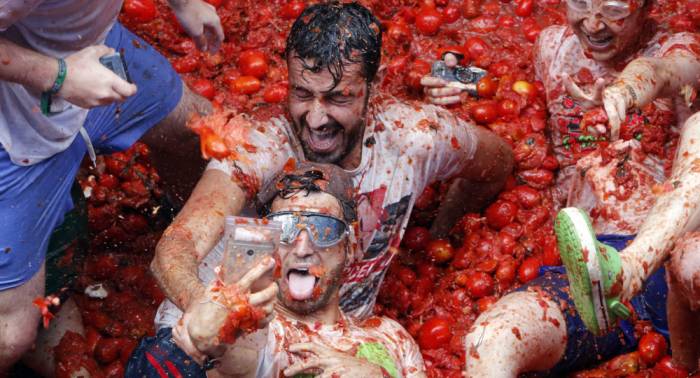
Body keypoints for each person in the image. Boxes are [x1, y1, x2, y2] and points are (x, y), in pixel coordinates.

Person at [151, 0, 513, 364]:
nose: (316, 118)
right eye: (302, 94)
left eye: (338, 97)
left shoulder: (415, 138)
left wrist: (441, 226)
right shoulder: (259, 148)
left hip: (341, 339)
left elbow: (498, 163)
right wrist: (206, 308)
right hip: (234, 336)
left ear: (377, 83)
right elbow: (177, 245)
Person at [423, 0, 700, 375]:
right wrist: (450, 80)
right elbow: (503, 84)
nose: (593, 22)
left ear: (647, 7)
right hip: (586, 279)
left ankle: (630, 270)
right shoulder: (553, 47)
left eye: (614, 9)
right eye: (580, 4)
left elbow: (663, 72)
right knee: (491, 339)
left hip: (674, 265)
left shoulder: (676, 46)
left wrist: (626, 90)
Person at [0, 0, 224, 374]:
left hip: (93, 50)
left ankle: (189, 235)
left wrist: (183, 4)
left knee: (196, 130)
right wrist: (59, 76)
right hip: (15, 127)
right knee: (11, 335)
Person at [128, 164, 427, 378]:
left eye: (323, 229)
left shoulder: (392, 339)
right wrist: (193, 342)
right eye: (285, 228)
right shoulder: (259, 330)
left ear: (349, 246)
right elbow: (235, 351)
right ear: (268, 244)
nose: (301, 247)